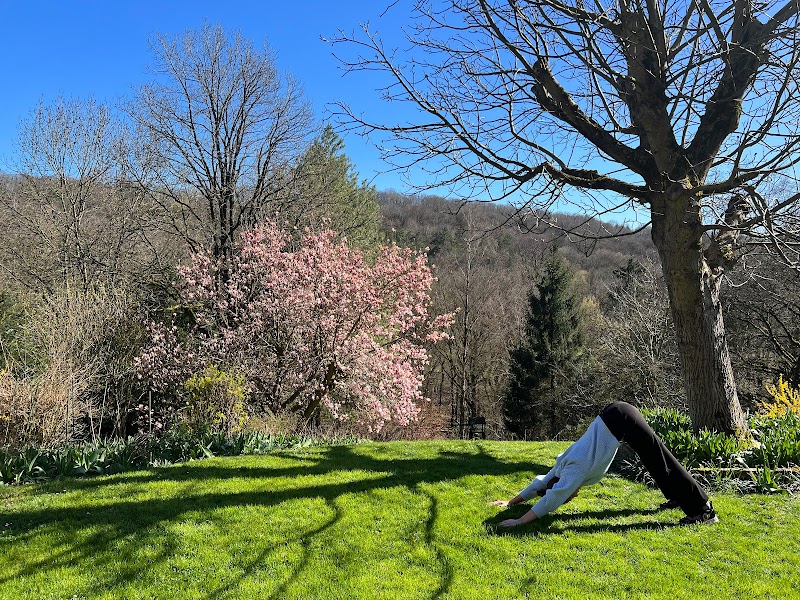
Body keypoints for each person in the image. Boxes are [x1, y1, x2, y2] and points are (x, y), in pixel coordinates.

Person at [490, 401, 719, 527]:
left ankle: (703, 509)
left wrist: (519, 520)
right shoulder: (562, 467)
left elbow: (551, 499)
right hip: (615, 417)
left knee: (661, 458)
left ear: (564, 486)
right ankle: (677, 496)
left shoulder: (573, 471)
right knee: (653, 460)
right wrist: (509, 503)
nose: (573, 497)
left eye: (569, 495)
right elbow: (540, 484)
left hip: (621, 419)